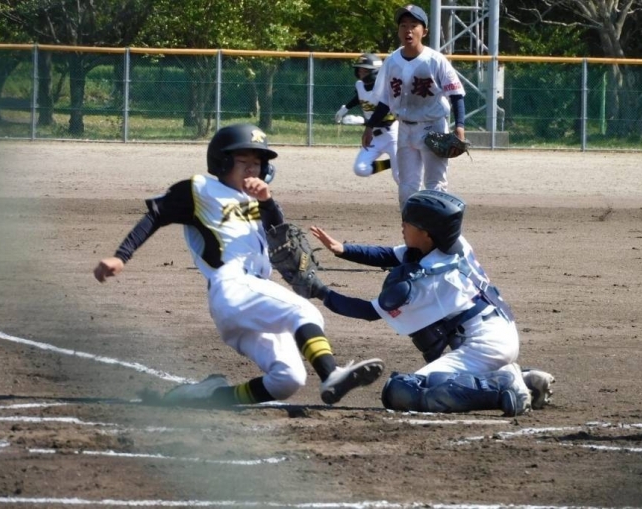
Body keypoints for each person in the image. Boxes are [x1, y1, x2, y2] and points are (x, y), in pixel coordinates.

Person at [93, 123, 385, 408]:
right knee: (304, 311)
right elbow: (156, 215)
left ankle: (208, 397)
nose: (251, 169)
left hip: (251, 295)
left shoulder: (257, 202)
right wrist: (121, 256)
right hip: (232, 285)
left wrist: (267, 201)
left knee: (287, 379)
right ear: (222, 162)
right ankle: (331, 374)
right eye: (243, 161)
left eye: (257, 163)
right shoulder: (202, 189)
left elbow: (279, 231)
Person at [308, 190, 555, 416]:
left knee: (404, 390)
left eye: (408, 222)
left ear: (426, 233)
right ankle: (527, 380)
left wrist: (318, 290)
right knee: (427, 384)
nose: (402, 225)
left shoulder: (432, 281)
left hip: (483, 347)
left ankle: (504, 386)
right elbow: (390, 255)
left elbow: (368, 311)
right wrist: (342, 249)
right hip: (498, 333)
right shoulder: (454, 245)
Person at [362, 4, 467, 207]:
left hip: (433, 127)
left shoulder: (436, 60)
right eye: (403, 25)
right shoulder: (391, 61)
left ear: (424, 31)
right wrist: (370, 126)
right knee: (407, 185)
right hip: (404, 128)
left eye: (413, 25)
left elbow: (456, 94)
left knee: (435, 185)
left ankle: (435, 226)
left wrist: (460, 127)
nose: (408, 30)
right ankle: (409, 224)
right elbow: (385, 100)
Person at [334, 53, 400, 186]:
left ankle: (416, 197)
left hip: (392, 135)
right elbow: (360, 96)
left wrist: (365, 122)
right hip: (374, 136)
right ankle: (390, 163)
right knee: (361, 169)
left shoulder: (385, 87)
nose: (361, 73)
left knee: (399, 177)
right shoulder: (359, 85)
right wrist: (346, 108)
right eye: (360, 70)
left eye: (365, 70)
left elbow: (384, 112)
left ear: (376, 72)